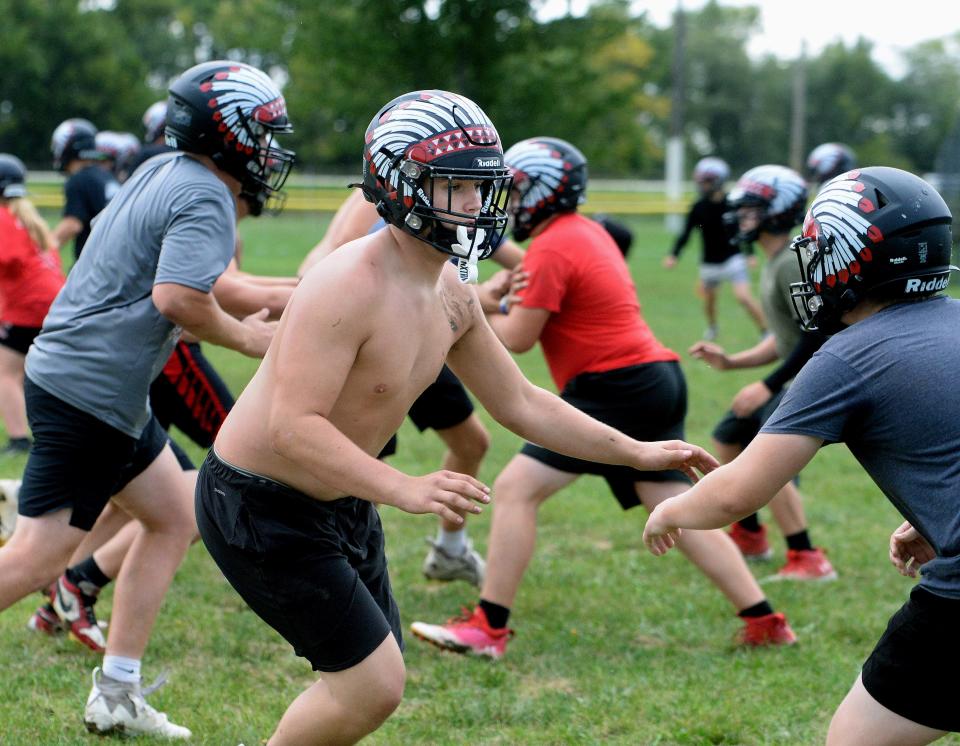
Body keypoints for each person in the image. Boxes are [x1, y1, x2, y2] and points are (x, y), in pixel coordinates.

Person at [196, 91, 717, 746]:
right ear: (399, 183)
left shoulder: (450, 291)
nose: (476, 205)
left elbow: (521, 402)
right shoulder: (345, 284)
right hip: (261, 507)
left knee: (370, 686)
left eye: (482, 187)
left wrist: (636, 452)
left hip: (339, 502)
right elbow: (291, 427)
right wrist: (405, 488)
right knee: (369, 685)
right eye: (456, 186)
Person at [411, 137, 795, 662]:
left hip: (616, 384)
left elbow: (518, 335)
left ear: (547, 192)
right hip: (649, 377)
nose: (510, 205)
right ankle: (764, 619)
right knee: (670, 504)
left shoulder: (552, 245)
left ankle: (488, 628)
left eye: (519, 192)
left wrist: (467, 306)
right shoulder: (581, 232)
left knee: (516, 487)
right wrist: (481, 298)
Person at [0, 60, 294, 738]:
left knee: (174, 514)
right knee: (38, 557)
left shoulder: (166, 173)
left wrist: (292, 295)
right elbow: (180, 299)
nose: (271, 150)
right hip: (89, 393)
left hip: (95, 387)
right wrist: (251, 342)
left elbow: (200, 280)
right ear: (228, 136)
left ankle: (117, 692)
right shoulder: (205, 194)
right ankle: (116, 687)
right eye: (264, 134)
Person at [645, 166, 960, 745]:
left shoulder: (848, 354)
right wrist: (934, 514)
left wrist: (671, 510)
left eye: (819, 250)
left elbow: (741, 491)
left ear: (850, 257)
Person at [296, 183, 527, 588]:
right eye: (457, 183)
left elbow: (505, 253)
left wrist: (548, 270)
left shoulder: (452, 206)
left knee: (472, 443)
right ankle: (345, 565)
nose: (471, 195)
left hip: (422, 329)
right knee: (360, 462)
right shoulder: (381, 202)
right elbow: (338, 265)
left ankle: (449, 551)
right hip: (367, 338)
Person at [688, 165, 836, 581]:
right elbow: (786, 335)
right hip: (801, 373)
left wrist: (766, 384)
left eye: (751, 210)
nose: (741, 219)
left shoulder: (791, 261)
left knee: (764, 458)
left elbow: (820, 334)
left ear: (779, 211)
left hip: (816, 378)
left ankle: (808, 558)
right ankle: (751, 535)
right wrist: (735, 362)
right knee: (728, 436)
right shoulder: (776, 260)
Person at [0, 154, 65, 455]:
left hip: (28, 307)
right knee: (31, 374)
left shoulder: (3, 217)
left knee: (5, 373)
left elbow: (8, 258)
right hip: (54, 306)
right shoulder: (29, 217)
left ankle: (19, 440)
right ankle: (50, 437)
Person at [664, 156, 765, 341]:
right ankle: (712, 328)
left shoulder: (732, 204)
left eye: (707, 181)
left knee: (743, 297)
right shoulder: (698, 207)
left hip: (733, 258)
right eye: (701, 181)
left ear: (719, 180)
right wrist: (674, 255)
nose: (703, 185)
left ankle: (766, 332)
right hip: (709, 262)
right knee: (709, 302)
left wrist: (749, 253)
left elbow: (742, 229)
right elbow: (685, 234)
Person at [49, 118, 120, 261]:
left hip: (97, 265)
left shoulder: (79, 180)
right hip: (119, 257)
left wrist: (42, 252)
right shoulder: (106, 176)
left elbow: (72, 225)